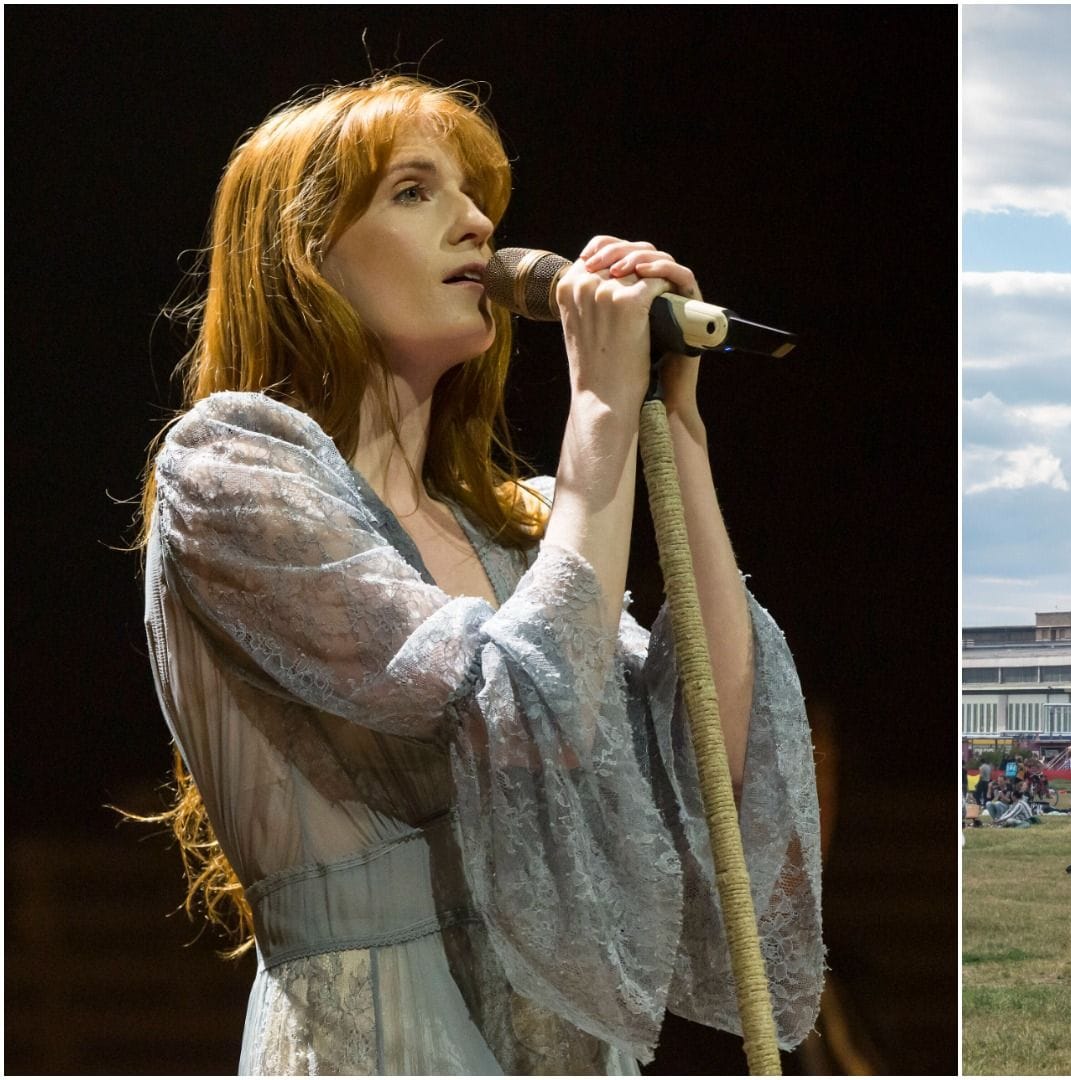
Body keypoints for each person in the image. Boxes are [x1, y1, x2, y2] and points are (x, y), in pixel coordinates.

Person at [133, 76, 821, 1072]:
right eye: (415, 192)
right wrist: (599, 415)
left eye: (475, 192)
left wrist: (673, 422)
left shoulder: (525, 521)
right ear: (304, 257)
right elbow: (519, 702)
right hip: (382, 1037)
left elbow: (710, 744)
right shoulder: (232, 470)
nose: (477, 222)